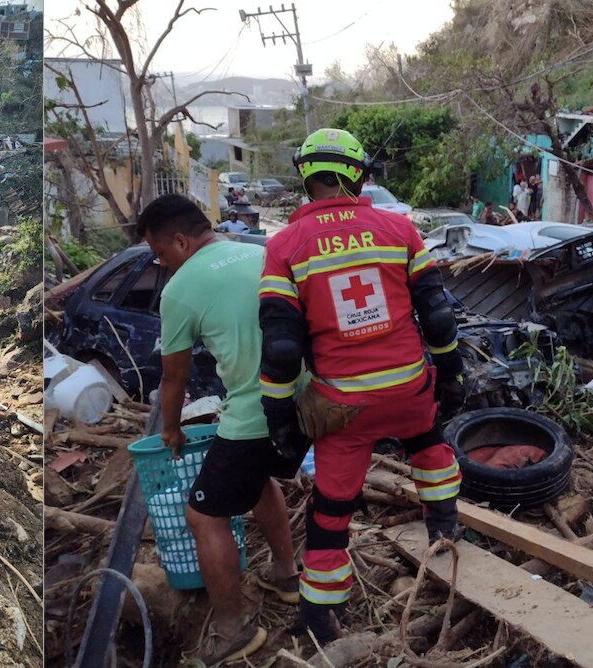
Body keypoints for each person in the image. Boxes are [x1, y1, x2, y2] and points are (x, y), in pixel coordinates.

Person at [258, 128, 464, 645]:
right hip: (408, 389)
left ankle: (321, 615)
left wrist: (279, 416)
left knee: (331, 509)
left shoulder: (284, 246)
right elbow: (438, 318)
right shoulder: (399, 229)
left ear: (306, 179)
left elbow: (281, 350)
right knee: (430, 446)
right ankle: (444, 531)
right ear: (358, 176)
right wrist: (452, 374)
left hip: (343, 408)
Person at [137, 194, 303, 666]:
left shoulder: (180, 289)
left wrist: (171, 430)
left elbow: (174, 377)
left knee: (203, 517)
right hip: (308, 401)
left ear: (180, 241)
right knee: (258, 479)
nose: (160, 263)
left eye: (159, 252)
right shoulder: (261, 253)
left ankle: (233, 628)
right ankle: (287, 575)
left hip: (256, 412)